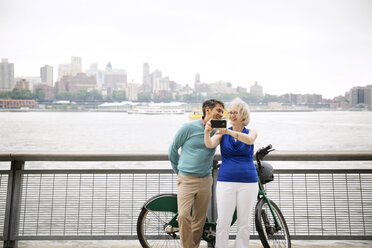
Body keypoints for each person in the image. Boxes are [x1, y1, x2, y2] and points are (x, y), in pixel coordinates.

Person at [169, 99, 225, 248]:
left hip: (206, 180)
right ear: (207, 110)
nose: (221, 114)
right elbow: (173, 150)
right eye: (218, 110)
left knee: (199, 221)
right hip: (186, 179)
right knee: (183, 216)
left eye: (222, 111)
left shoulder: (218, 131)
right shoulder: (188, 128)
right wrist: (179, 170)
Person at [204, 97, 258, 248]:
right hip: (226, 180)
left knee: (244, 222)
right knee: (223, 221)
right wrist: (207, 132)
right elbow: (209, 144)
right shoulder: (222, 133)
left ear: (243, 115)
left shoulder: (251, 132)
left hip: (248, 182)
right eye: (231, 112)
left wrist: (229, 131)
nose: (232, 115)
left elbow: (249, 140)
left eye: (236, 112)